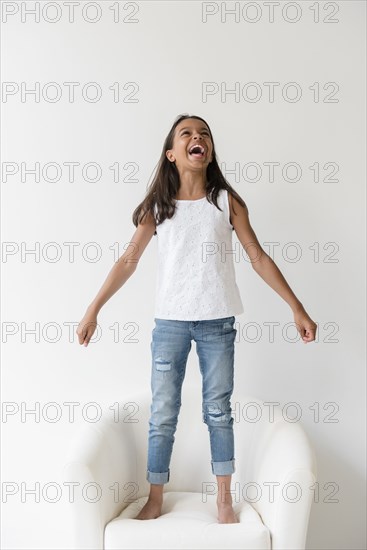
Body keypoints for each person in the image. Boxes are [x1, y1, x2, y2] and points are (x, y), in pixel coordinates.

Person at [76, 113, 317, 524]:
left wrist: (296, 307)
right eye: (186, 133)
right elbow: (128, 260)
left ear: (208, 151)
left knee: (218, 409)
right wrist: (93, 308)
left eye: (203, 133)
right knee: (163, 411)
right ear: (172, 153)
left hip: (217, 322)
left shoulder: (226, 202)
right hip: (170, 323)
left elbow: (257, 257)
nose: (197, 137)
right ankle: (156, 496)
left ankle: (224, 499)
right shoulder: (158, 208)